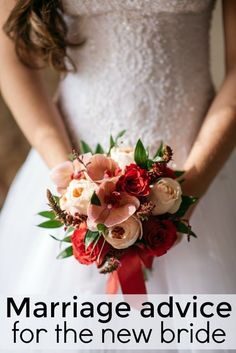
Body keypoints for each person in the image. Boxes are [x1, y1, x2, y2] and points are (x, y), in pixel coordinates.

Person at [0, 0, 235, 352]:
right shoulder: (71, 185)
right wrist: (72, 185)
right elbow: (8, 54)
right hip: (70, 173)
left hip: (199, 173)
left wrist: (189, 191)